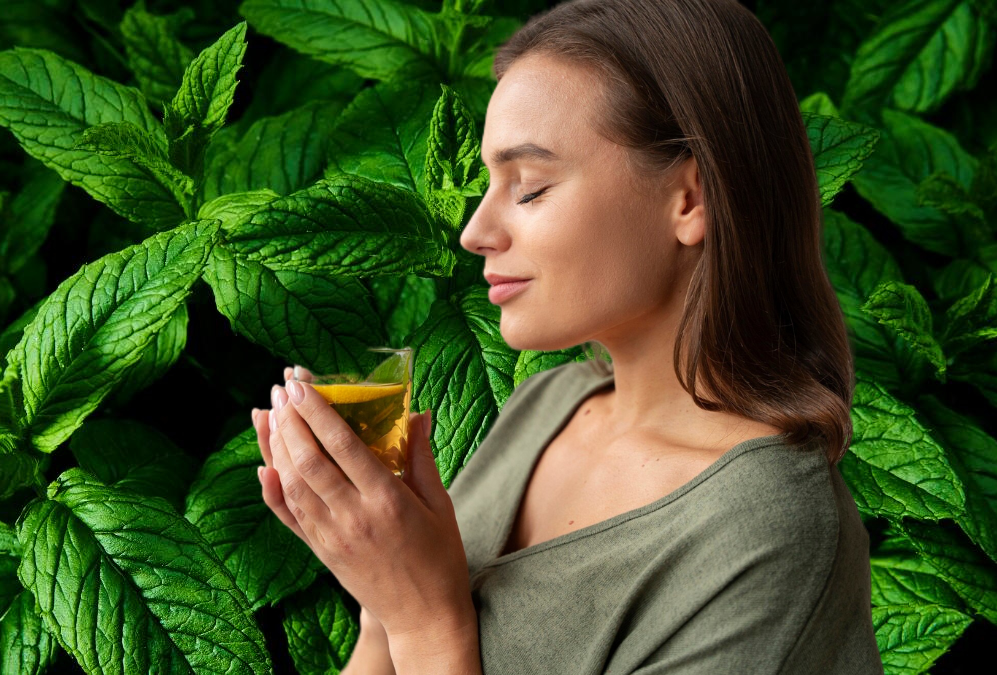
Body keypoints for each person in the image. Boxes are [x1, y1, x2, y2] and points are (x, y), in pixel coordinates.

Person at [252, 0, 883, 672]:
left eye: (529, 187)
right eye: (488, 185)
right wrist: (379, 576)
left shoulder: (766, 532)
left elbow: (426, 626)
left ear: (691, 199)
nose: (474, 232)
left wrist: (423, 620)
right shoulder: (548, 403)